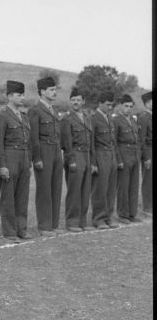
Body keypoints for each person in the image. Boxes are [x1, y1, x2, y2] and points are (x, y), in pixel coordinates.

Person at [0, 80, 33, 243]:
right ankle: (9, 231)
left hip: (23, 158)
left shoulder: (24, 116)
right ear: (9, 96)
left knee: (22, 196)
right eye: (19, 95)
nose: (22, 98)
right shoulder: (2, 115)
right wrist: (1, 166)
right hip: (9, 158)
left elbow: (27, 141)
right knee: (8, 197)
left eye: (23, 95)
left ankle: (21, 229)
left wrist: (28, 161)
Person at [28, 77, 64, 237]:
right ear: (42, 92)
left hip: (56, 151)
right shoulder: (35, 111)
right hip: (43, 151)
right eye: (51, 89)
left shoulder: (54, 110)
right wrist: (36, 158)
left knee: (56, 187)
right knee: (44, 189)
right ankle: (44, 225)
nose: (54, 92)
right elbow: (33, 137)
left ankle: (53, 224)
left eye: (55, 89)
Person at [61, 88, 96, 232]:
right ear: (70, 101)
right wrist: (71, 160)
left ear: (83, 101)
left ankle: (82, 222)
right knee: (74, 191)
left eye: (78, 100)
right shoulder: (66, 119)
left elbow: (91, 143)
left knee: (85, 190)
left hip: (87, 156)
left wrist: (93, 162)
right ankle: (72, 222)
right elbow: (67, 143)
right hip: (75, 155)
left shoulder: (87, 118)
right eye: (73, 100)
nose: (76, 102)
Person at [91, 92, 119, 229]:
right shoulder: (94, 118)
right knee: (100, 188)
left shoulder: (109, 118)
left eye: (111, 105)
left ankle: (109, 216)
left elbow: (114, 140)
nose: (109, 107)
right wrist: (94, 162)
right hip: (100, 155)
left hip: (111, 154)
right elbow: (91, 142)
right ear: (100, 103)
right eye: (107, 104)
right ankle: (98, 218)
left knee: (111, 188)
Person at [113, 94, 142, 224]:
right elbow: (114, 142)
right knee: (123, 186)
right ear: (120, 106)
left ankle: (132, 213)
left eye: (130, 106)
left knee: (134, 186)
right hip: (124, 153)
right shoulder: (116, 120)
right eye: (126, 106)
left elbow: (138, 138)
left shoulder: (134, 120)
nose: (128, 109)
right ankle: (122, 214)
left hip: (135, 154)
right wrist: (118, 159)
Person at [139, 91, 152, 216]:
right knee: (148, 180)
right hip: (149, 151)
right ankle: (147, 208)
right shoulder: (144, 117)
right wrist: (146, 157)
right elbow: (142, 139)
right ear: (147, 103)